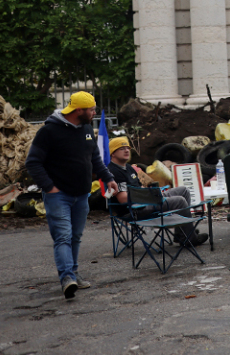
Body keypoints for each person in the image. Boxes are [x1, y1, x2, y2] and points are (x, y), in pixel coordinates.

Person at [25, 92, 118, 299]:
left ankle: (73, 273)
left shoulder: (87, 129)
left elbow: (94, 157)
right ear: (79, 110)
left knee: (75, 236)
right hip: (58, 195)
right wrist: (49, 187)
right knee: (63, 236)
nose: (94, 113)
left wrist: (108, 177)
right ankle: (67, 277)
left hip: (82, 194)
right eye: (91, 110)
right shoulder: (49, 132)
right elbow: (33, 162)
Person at [106, 137, 209, 246]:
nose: (127, 150)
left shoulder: (129, 168)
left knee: (183, 191)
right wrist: (147, 196)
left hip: (145, 201)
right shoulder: (113, 172)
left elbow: (140, 187)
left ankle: (182, 234)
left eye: (128, 148)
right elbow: (123, 199)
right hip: (134, 210)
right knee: (179, 201)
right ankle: (189, 238)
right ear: (113, 153)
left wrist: (152, 192)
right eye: (122, 148)